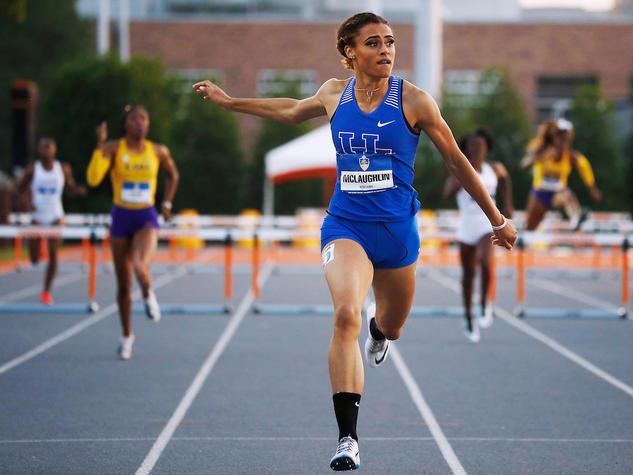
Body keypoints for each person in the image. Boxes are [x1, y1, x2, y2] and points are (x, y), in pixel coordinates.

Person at [192, 12, 516, 471]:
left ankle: (380, 331)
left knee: (393, 324)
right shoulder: (333, 94)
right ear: (350, 54)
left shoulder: (415, 101)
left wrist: (496, 219)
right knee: (346, 314)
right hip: (346, 227)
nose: (385, 50)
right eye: (373, 43)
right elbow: (288, 109)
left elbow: (458, 163)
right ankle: (348, 439)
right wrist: (229, 103)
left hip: (398, 234)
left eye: (390, 42)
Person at [86, 105, 179, 360]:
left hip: (146, 217)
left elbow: (173, 175)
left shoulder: (158, 151)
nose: (140, 122)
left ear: (148, 124)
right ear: (125, 124)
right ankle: (127, 336)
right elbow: (93, 179)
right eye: (135, 118)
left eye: (144, 118)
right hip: (121, 218)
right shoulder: (114, 149)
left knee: (140, 266)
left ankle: (148, 295)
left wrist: (167, 203)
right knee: (124, 285)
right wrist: (99, 146)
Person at [443, 128, 513, 342]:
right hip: (467, 226)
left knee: (485, 261)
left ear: (487, 148)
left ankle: (484, 302)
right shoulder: (461, 169)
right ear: (467, 150)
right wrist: (465, 172)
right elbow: (446, 194)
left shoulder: (494, 169)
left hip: (486, 225)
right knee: (467, 276)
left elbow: (505, 181)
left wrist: (508, 204)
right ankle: (468, 317)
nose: (476, 151)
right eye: (472, 148)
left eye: (480, 147)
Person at [17, 137, 87, 304]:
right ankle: (38, 249)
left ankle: (46, 291)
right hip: (37, 216)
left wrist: (78, 191)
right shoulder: (32, 169)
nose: (47, 150)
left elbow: (69, 189)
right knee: (34, 259)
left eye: (50, 147)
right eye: (44, 147)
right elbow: (20, 189)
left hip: (56, 215)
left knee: (54, 253)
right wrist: (27, 203)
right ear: (39, 151)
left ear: (54, 150)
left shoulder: (62, 169)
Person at [521, 118, 602, 231]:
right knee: (530, 227)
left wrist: (592, 188)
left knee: (568, 196)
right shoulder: (541, 150)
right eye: (561, 137)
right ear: (553, 137)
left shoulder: (570, 156)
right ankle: (524, 240)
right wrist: (540, 157)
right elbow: (524, 165)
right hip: (539, 193)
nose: (564, 141)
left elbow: (584, 166)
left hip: (558, 193)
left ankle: (576, 220)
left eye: (566, 138)